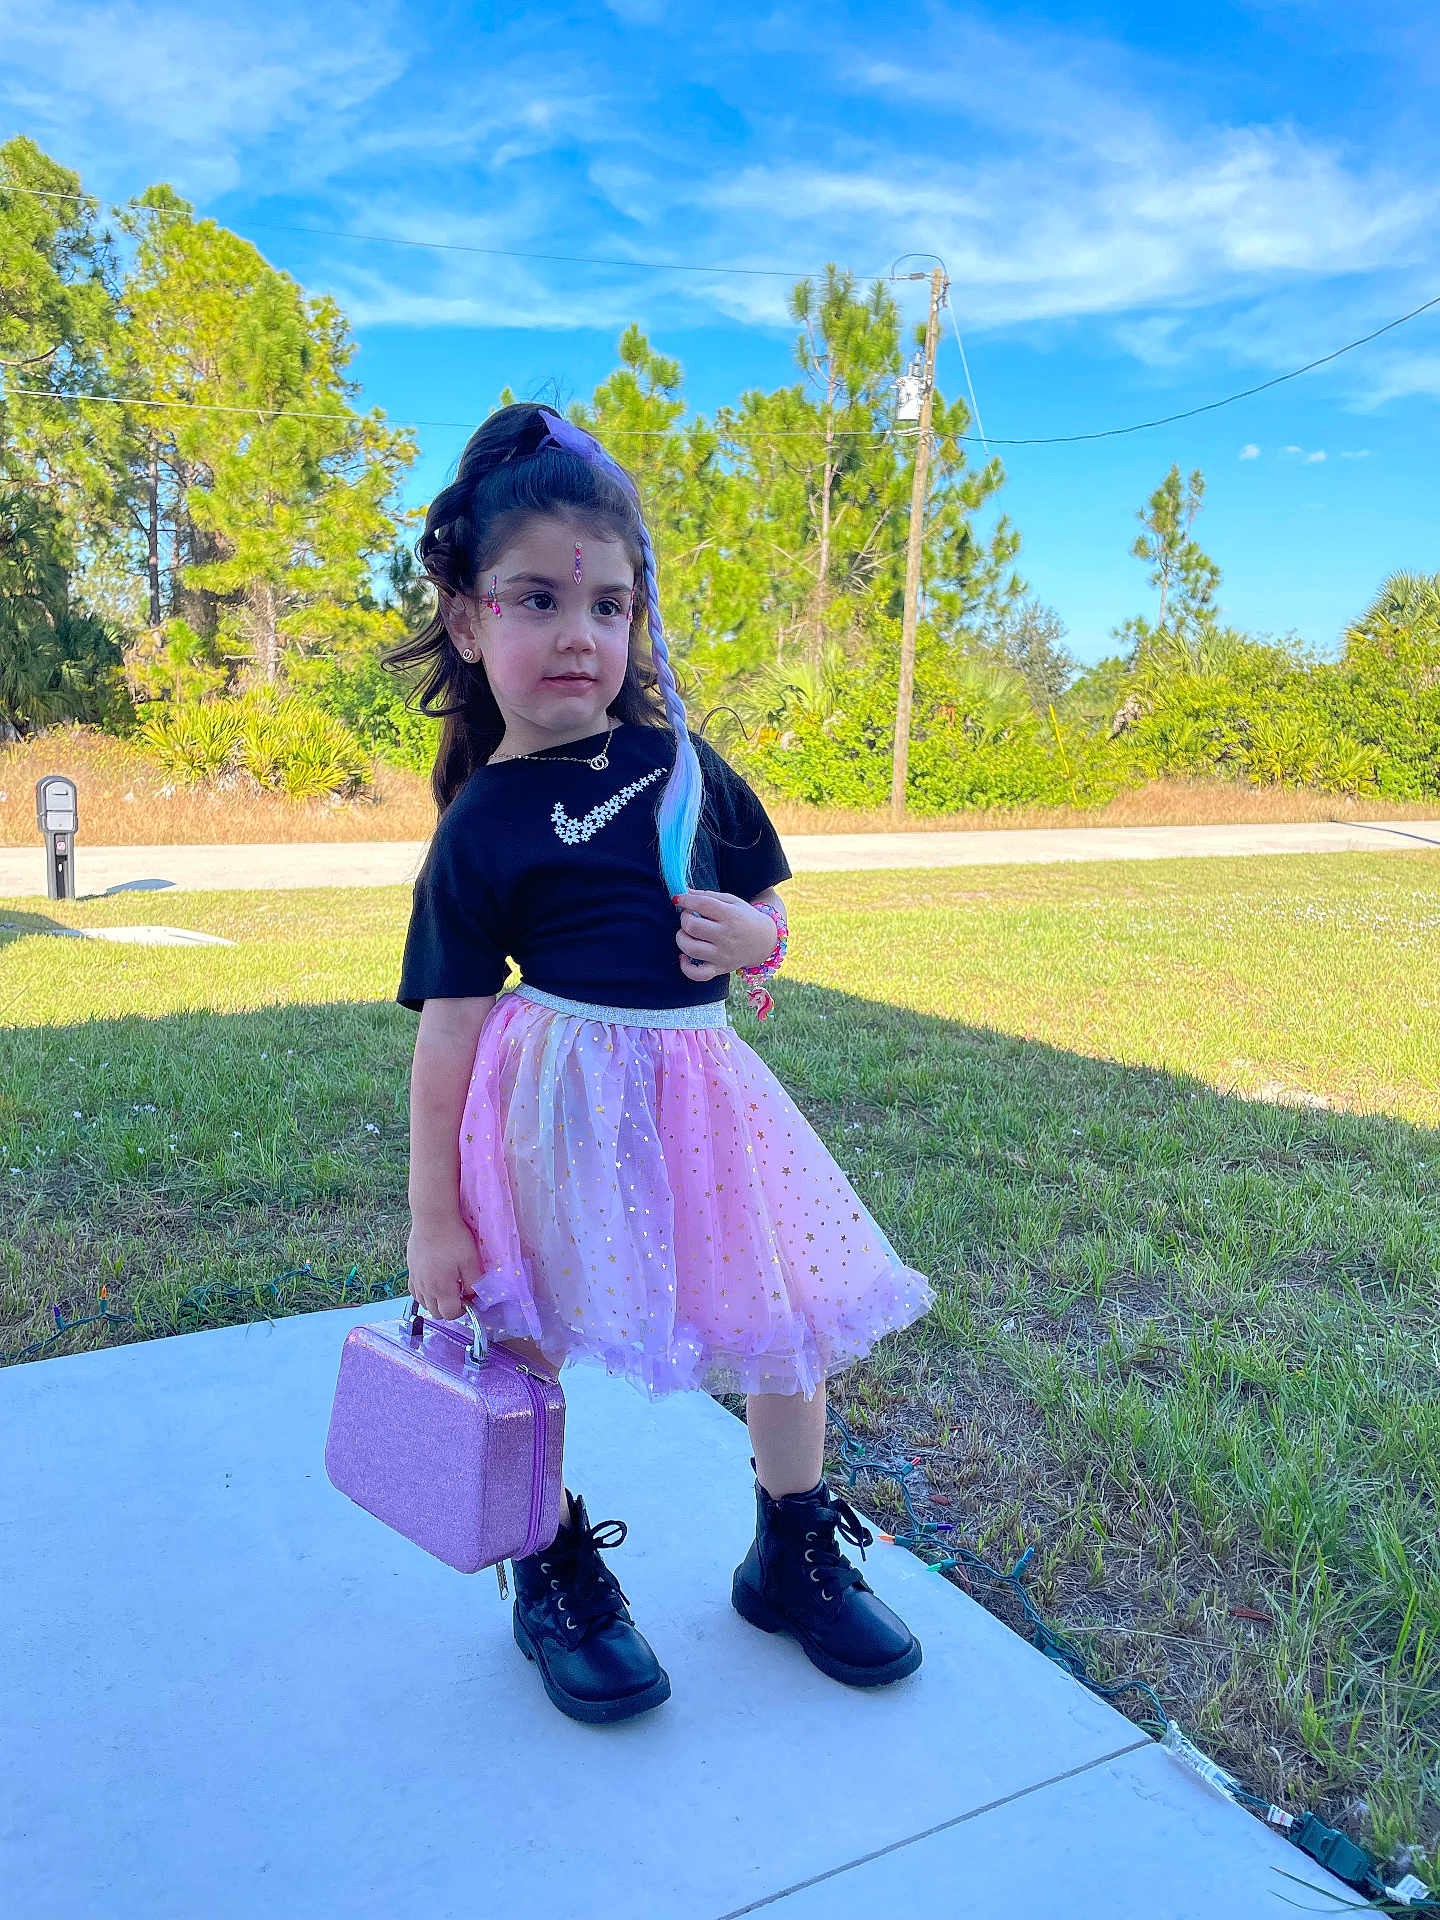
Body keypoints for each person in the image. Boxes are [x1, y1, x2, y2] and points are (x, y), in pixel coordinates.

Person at [388, 402, 934, 1726]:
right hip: (548, 1115)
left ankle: (791, 1548)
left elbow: (771, 916)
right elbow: (449, 1028)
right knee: (526, 1345)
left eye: (610, 605)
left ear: (638, 622)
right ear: (469, 623)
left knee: (784, 1321)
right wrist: (430, 1216)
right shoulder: (481, 825)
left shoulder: (687, 765)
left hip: (705, 1103)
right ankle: (550, 1569)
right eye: (537, 600)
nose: (580, 635)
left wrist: (763, 936)